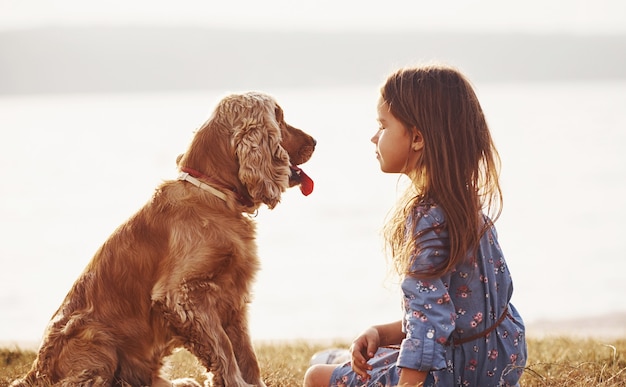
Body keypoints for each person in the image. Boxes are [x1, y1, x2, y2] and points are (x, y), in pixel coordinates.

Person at [303, 64, 527, 387]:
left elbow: (430, 323)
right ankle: (342, 358)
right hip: (492, 372)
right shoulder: (471, 212)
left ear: (418, 138)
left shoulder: (425, 219)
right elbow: (460, 315)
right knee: (341, 357)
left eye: (383, 125)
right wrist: (382, 333)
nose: (373, 136)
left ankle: (335, 364)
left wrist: (407, 383)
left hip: (445, 375)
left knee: (315, 377)